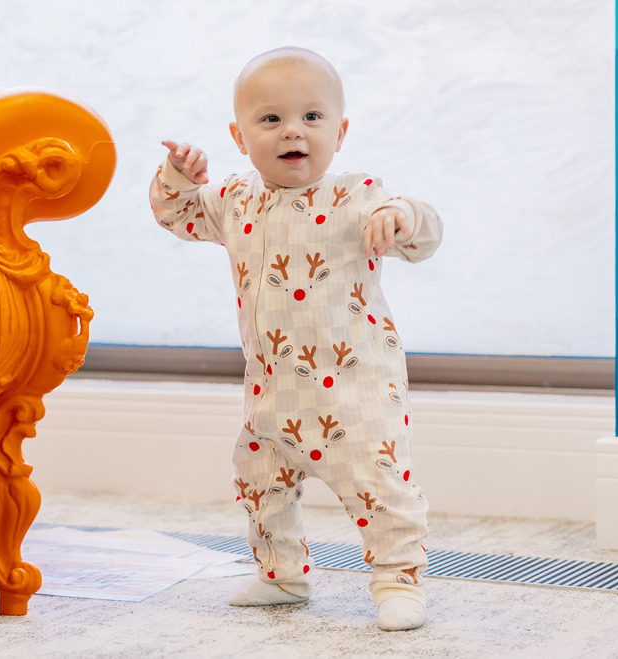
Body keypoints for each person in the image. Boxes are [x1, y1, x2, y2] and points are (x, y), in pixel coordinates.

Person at [150, 47, 442, 631]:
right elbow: (175, 214)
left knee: (379, 487)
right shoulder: (233, 201)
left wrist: (404, 217)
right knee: (260, 485)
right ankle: (281, 574)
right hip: (272, 394)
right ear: (239, 135)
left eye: (313, 117)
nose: (294, 131)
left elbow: (422, 233)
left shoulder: (359, 197)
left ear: (340, 130)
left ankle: (397, 577)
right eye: (271, 119)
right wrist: (179, 175)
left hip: (356, 392)